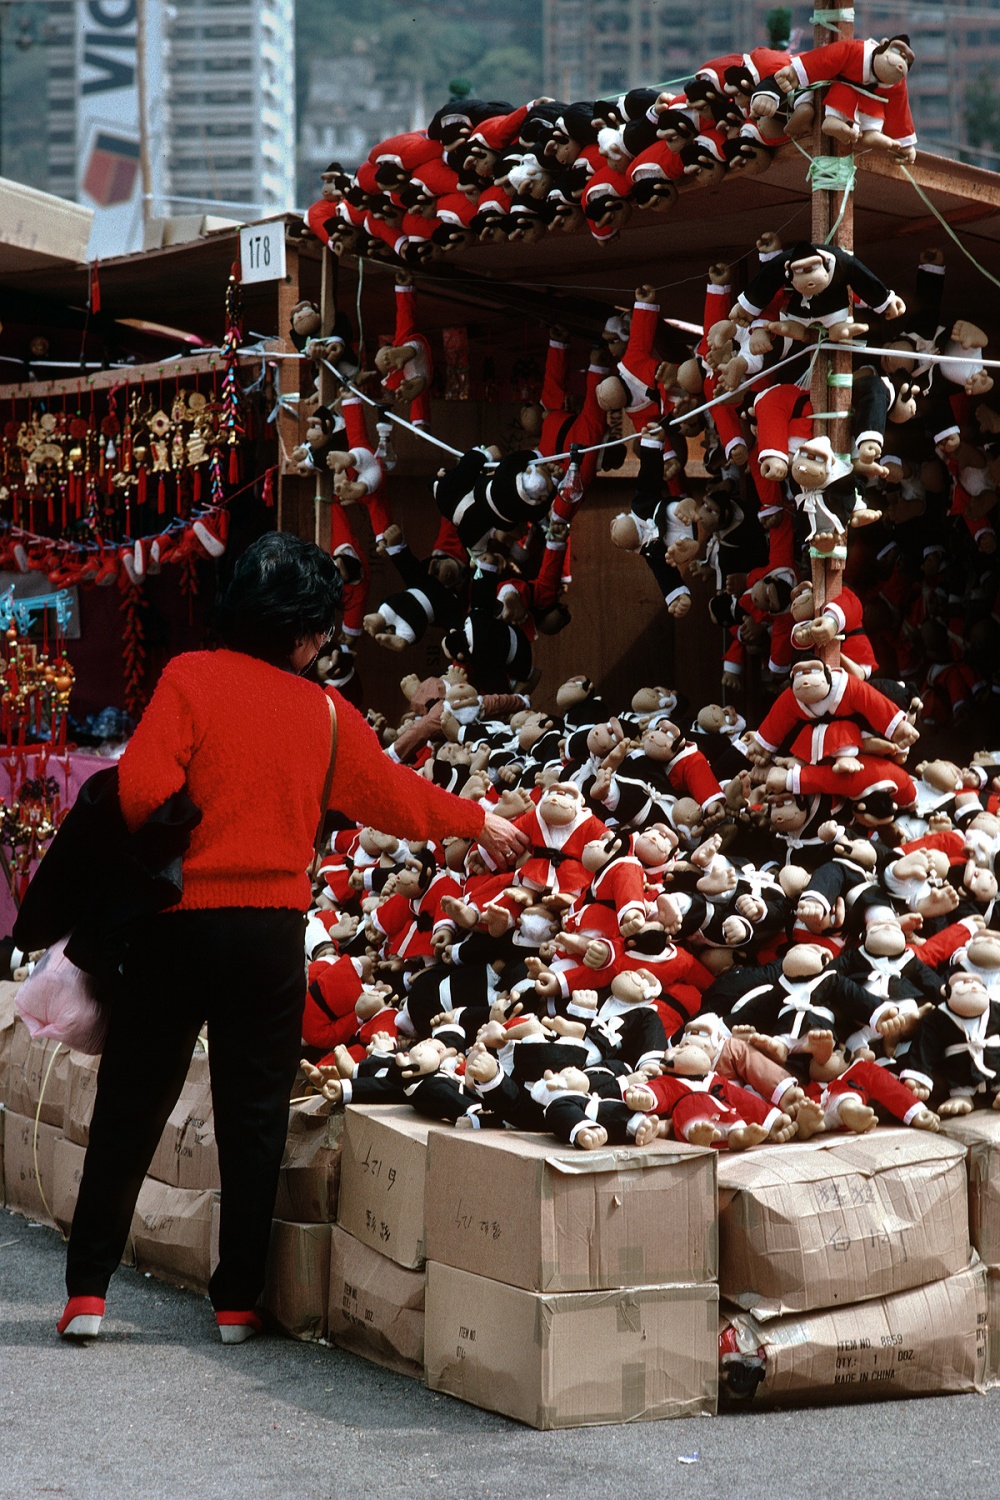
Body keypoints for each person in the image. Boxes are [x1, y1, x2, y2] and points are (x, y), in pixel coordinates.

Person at [57, 530, 528, 1343]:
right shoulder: (325, 712)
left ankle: (87, 1296)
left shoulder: (190, 678)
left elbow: (139, 789)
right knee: (254, 1118)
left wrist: (177, 841)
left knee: (132, 1105)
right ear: (308, 634)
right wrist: (479, 820)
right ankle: (237, 1303)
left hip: (174, 929)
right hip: (269, 934)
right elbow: (394, 797)